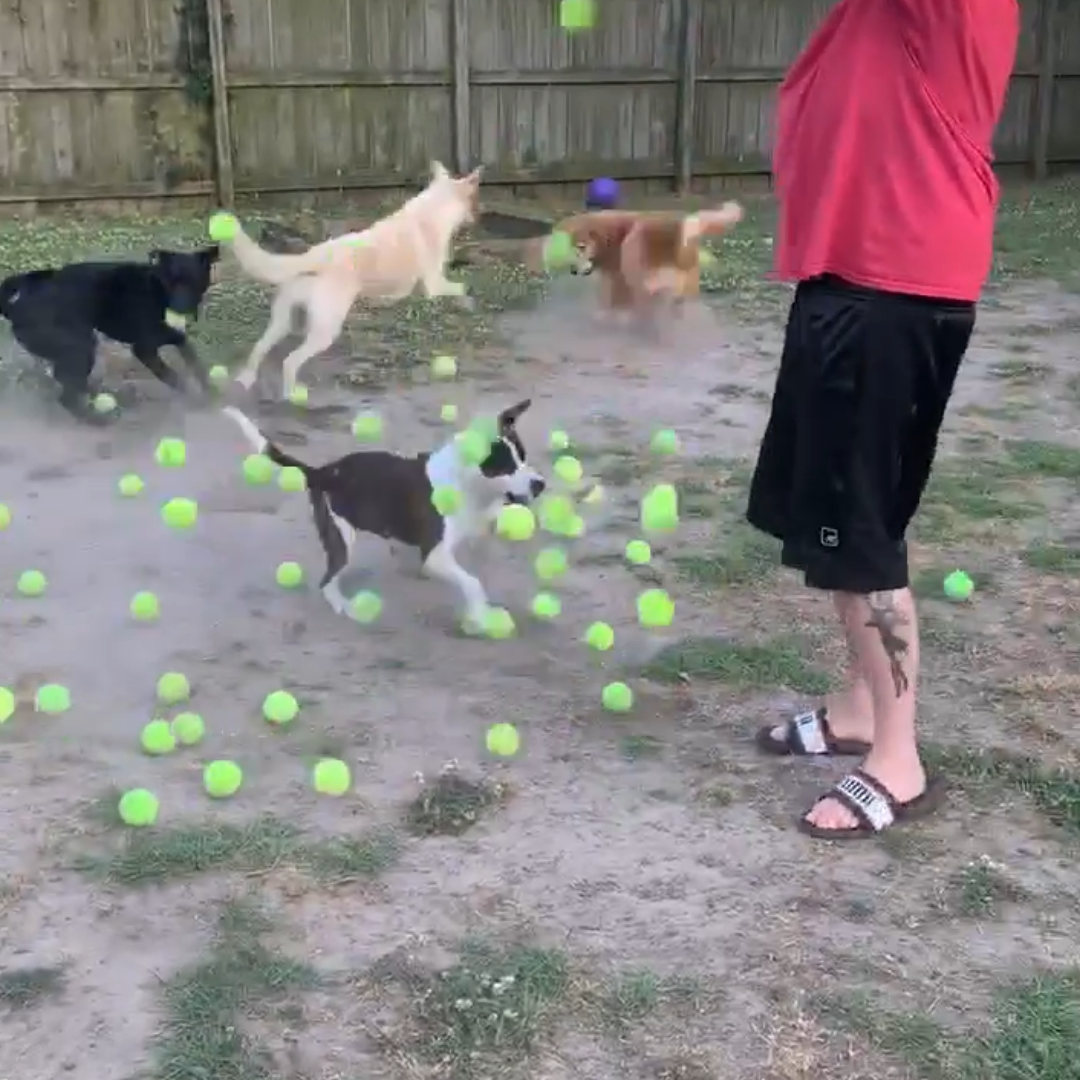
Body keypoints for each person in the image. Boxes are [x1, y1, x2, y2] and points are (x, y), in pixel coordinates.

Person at [746, 0, 1019, 838]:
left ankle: (897, 761)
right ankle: (864, 708)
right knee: (846, 521)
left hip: (893, 286)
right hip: (858, 275)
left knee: (860, 534)